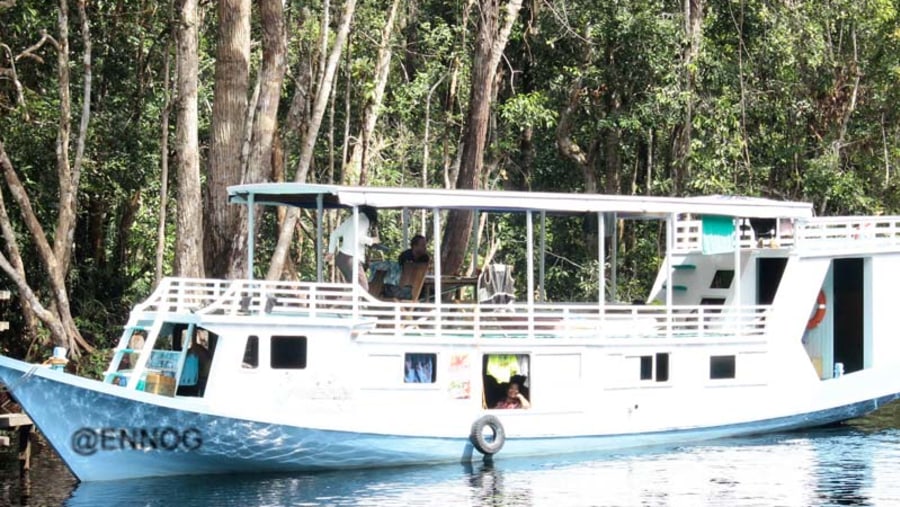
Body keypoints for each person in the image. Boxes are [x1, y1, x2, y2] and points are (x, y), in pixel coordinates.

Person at [325, 206, 380, 291]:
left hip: (341, 258)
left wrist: (331, 252)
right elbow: (359, 238)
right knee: (363, 289)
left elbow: (334, 234)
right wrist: (372, 240)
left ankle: (342, 304)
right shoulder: (364, 219)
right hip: (351, 259)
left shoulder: (353, 218)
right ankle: (337, 304)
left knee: (355, 289)